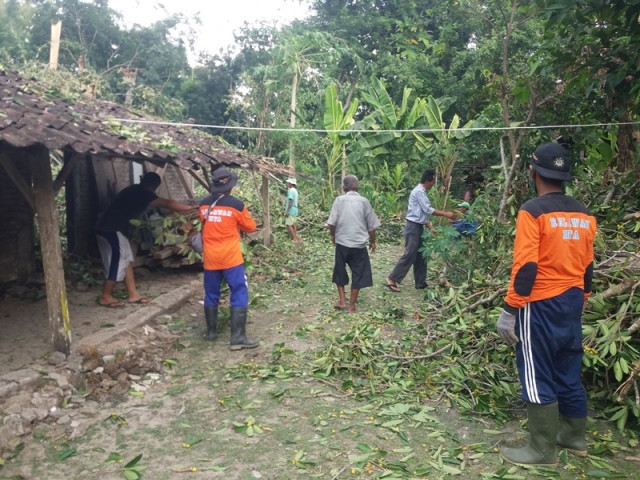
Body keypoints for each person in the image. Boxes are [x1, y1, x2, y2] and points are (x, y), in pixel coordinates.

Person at [497, 143, 597, 467]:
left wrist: (510, 310)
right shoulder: (583, 213)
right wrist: (578, 300)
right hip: (572, 301)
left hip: (539, 304)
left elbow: (526, 267)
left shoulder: (533, 210)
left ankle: (541, 450)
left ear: (533, 172)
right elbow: (588, 267)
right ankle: (573, 437)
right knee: (568, 370)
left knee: (536, 371)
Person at [95, 172, 195, 308]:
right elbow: (168, 203)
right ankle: (106, 296)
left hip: (111, 228)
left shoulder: (133, 189)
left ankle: (133, 294)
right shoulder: (143, 193)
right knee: (118, 260)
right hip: (111, 229)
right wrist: (191, 208)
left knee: (127, 259)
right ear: (155, 186)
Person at [198, 167, 259, 350]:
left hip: (210, 258)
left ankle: (211, 333)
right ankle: (238, 338)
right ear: (230, 186)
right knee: (239, 291)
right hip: (231, 258)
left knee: (211, 293)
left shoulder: (203, 204)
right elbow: (251, 227)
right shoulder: (237, 205)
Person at [385, 168, 457, 292]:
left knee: (421, 255)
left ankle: (420, 282)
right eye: (433, 182)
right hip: (413, 227)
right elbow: (428, 210)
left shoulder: (422, 192)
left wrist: (432, 228)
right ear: (428, 181)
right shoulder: (418, 192)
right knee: (410, 254)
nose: (433, 184)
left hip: (417, 227)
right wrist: (447, 214)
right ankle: (392, 279)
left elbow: (422, 216)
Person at [326, 175, 381, 313]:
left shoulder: (339, 200)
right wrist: (373, 241)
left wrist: (333, 235)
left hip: (342, 243)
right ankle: (351, 306)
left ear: (344, 187)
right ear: (357, 187)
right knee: (359, 273)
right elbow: (371, 226)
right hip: (359, 245)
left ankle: (342, 301)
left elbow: (332, 222)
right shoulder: (364, 202)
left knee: (340, 270)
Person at [284, 177, 300, 243]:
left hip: (291, 210)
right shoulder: (295, 191)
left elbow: (291, 201)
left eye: (288, 183)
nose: (288, 184)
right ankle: (295, 237)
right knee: (293, 224)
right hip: (295, 209)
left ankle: (294, 239)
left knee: (289, 224)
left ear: (291, 183)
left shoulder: (290, 191)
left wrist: (287, 211)